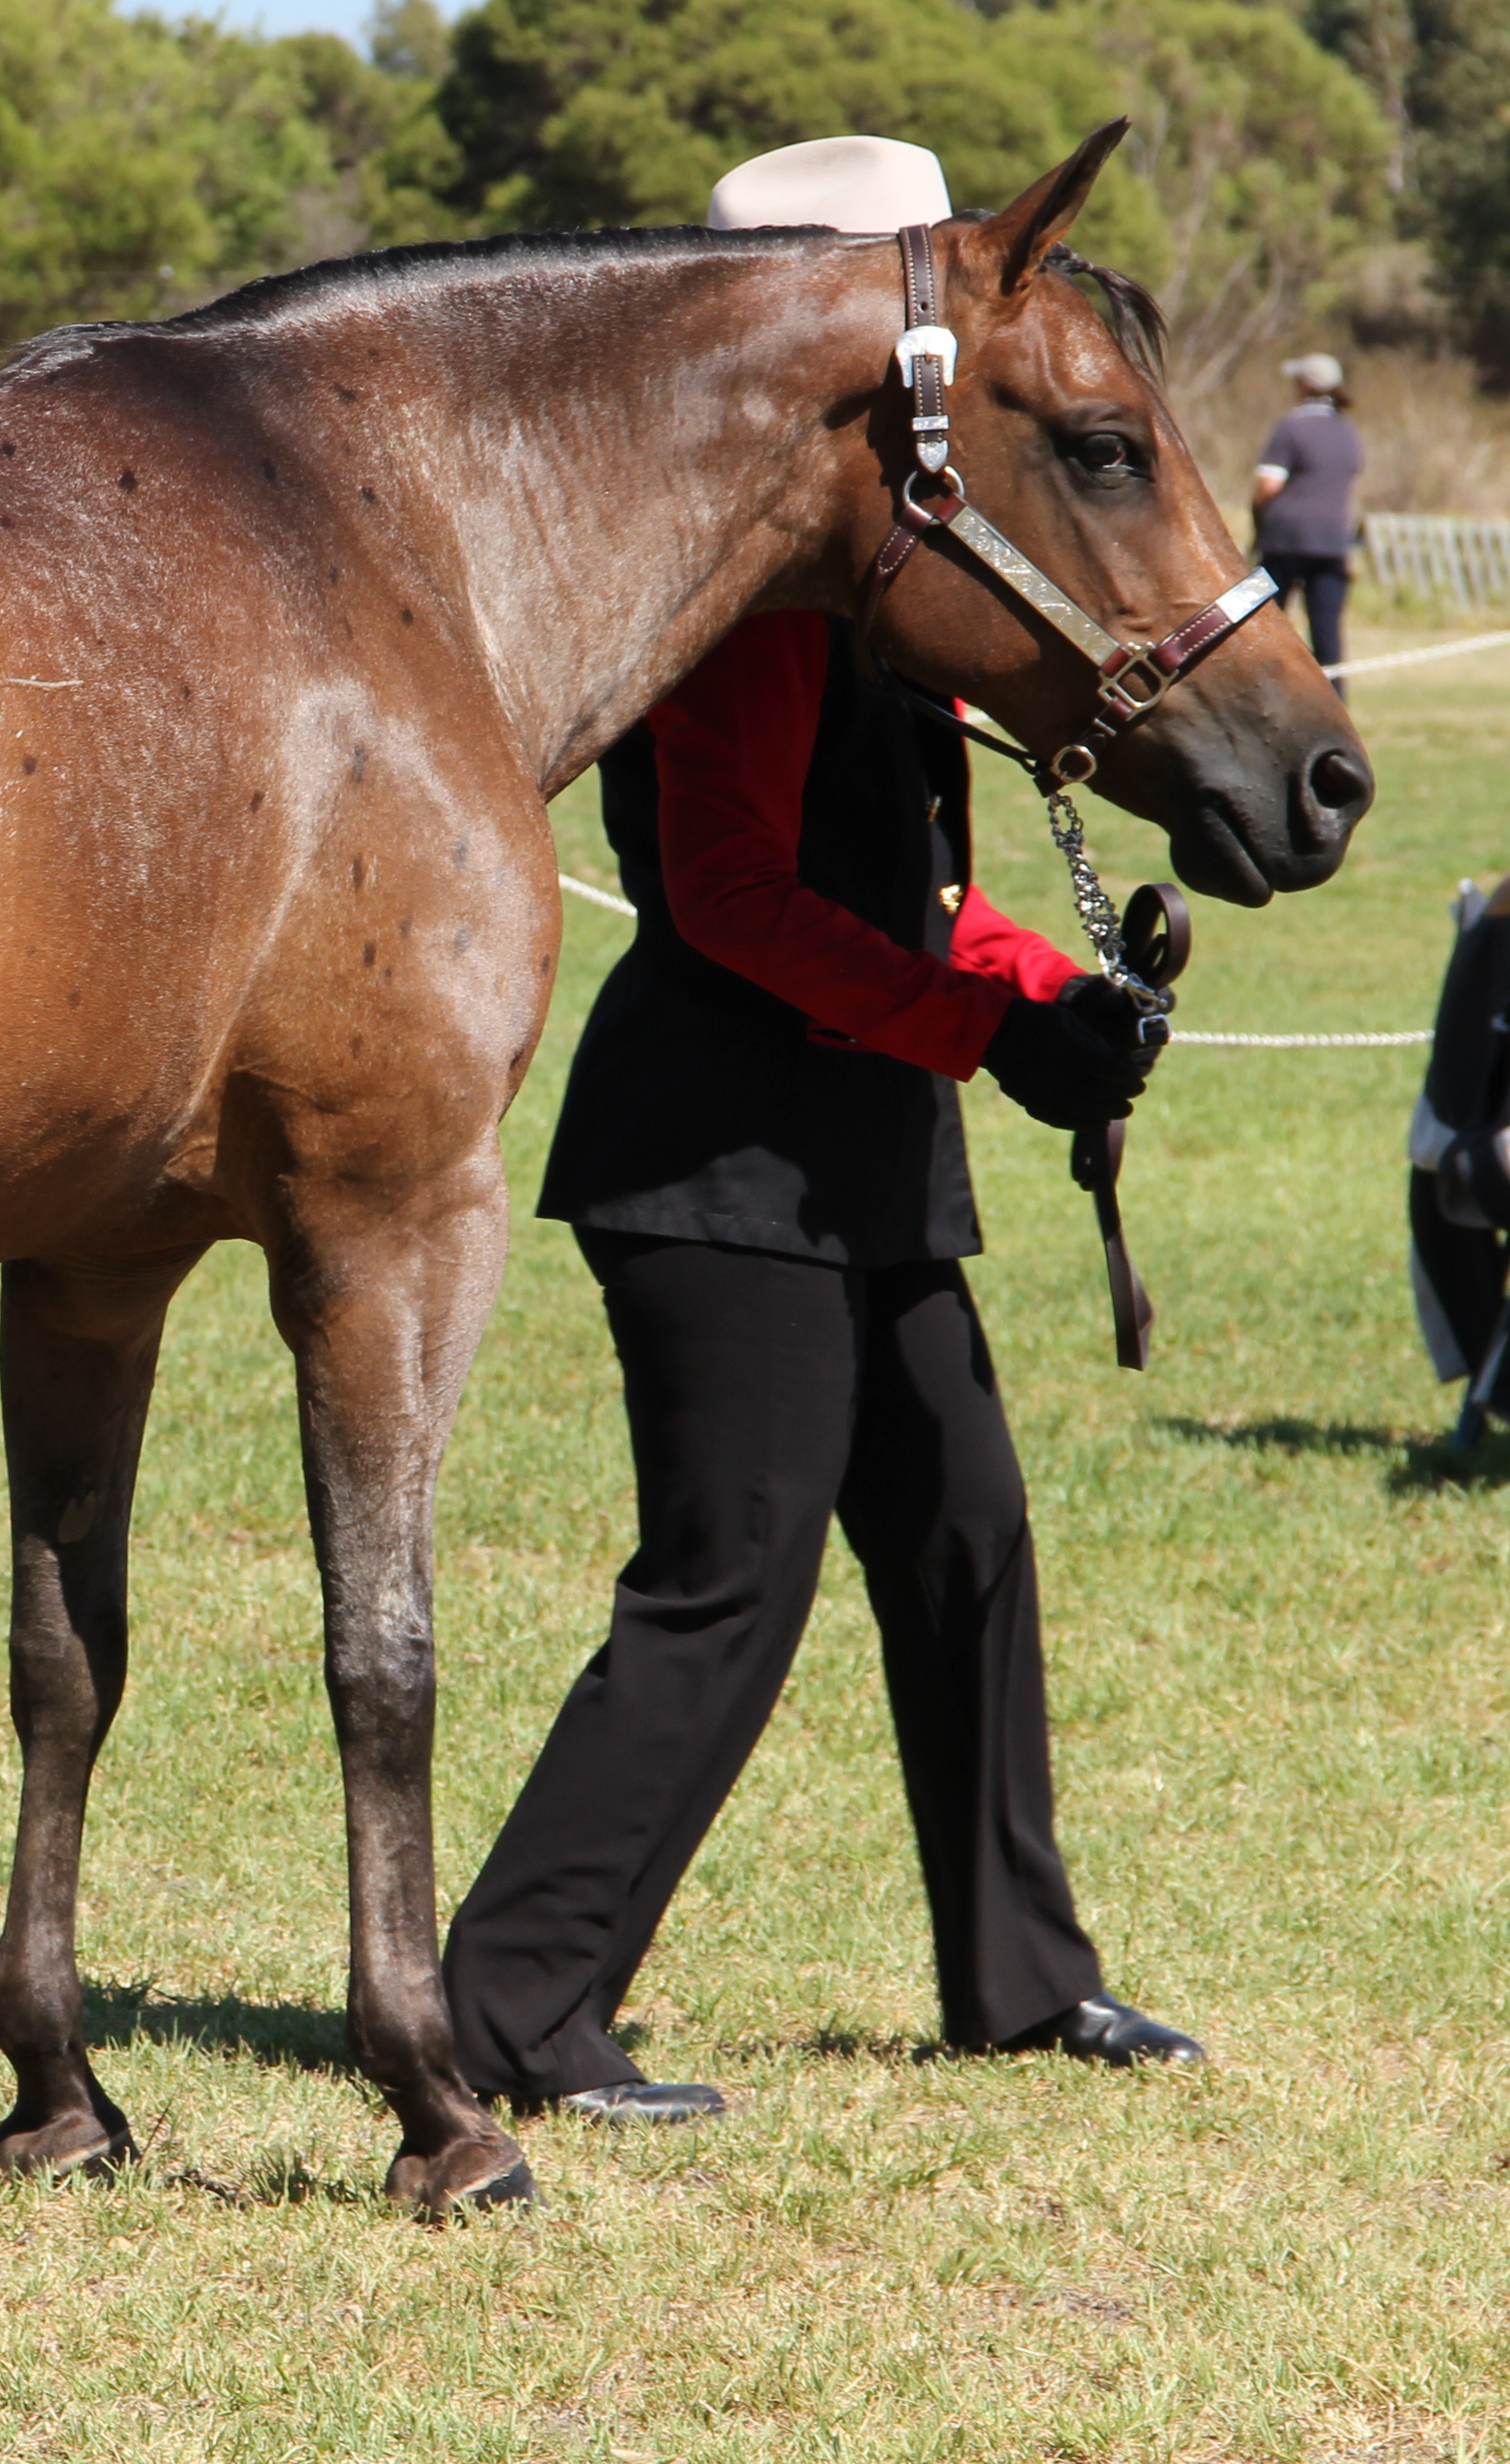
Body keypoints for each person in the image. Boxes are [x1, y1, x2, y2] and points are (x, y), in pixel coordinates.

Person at [438, 136, 1204, 2126]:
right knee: (731, 1570)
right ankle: (513, 2004)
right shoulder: (756, 612)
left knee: (963, 1538)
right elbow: (729, 897)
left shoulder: (888, 594)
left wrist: (1044, 993)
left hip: (860, 1150)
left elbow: (910, 890)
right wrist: (972, 1020)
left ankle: (1024, 1986)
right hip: (716, 1155)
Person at [1256, 354, 1363, 687]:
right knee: (1328, 637)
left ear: (1304, 385)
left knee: (1264, 626)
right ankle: (1335, 708)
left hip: (1284, 539)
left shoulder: (1291, 426)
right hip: (1333, 542)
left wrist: (1256, 512)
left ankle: (1261, 694)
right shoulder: (1348, 431)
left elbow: (1268, 486)